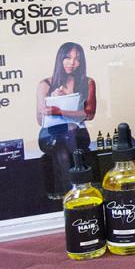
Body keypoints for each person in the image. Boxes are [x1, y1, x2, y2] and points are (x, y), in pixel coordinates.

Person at [36, 41, 97, 194]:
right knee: (62, 150)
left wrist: (61, 111)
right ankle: (72, 194)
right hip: (51, 136)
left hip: (77, 134)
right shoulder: (45, 84)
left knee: (70, 143)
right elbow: (39, 120)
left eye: (77, 59)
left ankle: (74, 193)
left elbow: (89, 114)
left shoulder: (88, 82)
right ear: (60, 59)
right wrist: (51, 99)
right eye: (68, 58)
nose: (72, 63)